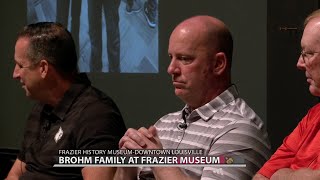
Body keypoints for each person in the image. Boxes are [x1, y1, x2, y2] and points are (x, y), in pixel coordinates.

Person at [115, 15, 271, 180]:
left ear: (218, 64)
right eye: (171, 57)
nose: (171, 69)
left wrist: (159, 161)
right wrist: (127, 166)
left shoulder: (240, 129)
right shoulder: (164, 123)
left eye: (184, 59)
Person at [6, 22, 126, 179]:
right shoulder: (41, 109)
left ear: (43, 68)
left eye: (20, 65)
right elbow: (15, 175)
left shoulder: (95, 116)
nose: (15, 74)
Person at [253, 9, 320, 180]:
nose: (299, 63)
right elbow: (262, 177)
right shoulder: (313, 116)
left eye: (308, 54)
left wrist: (285, 175)